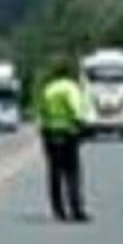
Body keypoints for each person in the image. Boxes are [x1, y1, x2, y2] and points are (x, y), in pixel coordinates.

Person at [37, 58, 89, 222]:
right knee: (72, 172)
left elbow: (42, 112)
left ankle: (58, 210)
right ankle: (76, 209)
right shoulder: (71, 88)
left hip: (51, 133)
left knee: (55, 173)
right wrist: (82, 127)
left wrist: (45, 131)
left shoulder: (48, 89)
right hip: (69, 133)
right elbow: (76, 109)